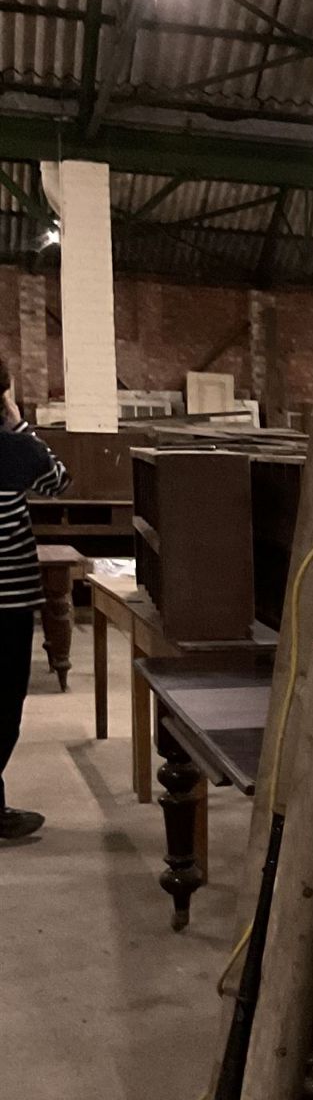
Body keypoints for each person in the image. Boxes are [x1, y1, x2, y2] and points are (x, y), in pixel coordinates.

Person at [0, 358, 70, 841]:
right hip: (7, 605)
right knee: (3, 707)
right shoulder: (13, 448)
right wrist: (17, 418)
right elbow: (59, 480)